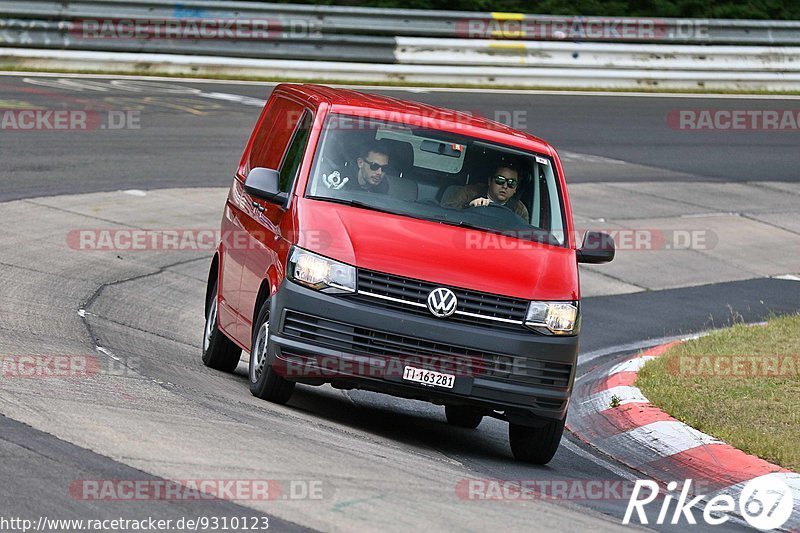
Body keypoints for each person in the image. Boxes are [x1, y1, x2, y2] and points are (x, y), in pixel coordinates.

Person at [441, 164, 529, 220]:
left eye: (511, 183)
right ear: (490, 181)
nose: (505, 186)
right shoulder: (467, 193)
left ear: (515, 189)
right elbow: (445, 214)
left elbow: (523, 235)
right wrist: (468, 206)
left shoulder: (519, 210)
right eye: (500, 180)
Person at [321, 142, 391, 194]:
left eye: (384, 168)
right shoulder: (339, 178)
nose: (379, 172)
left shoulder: (383, 187)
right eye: (374, 166)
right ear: (360, 163)